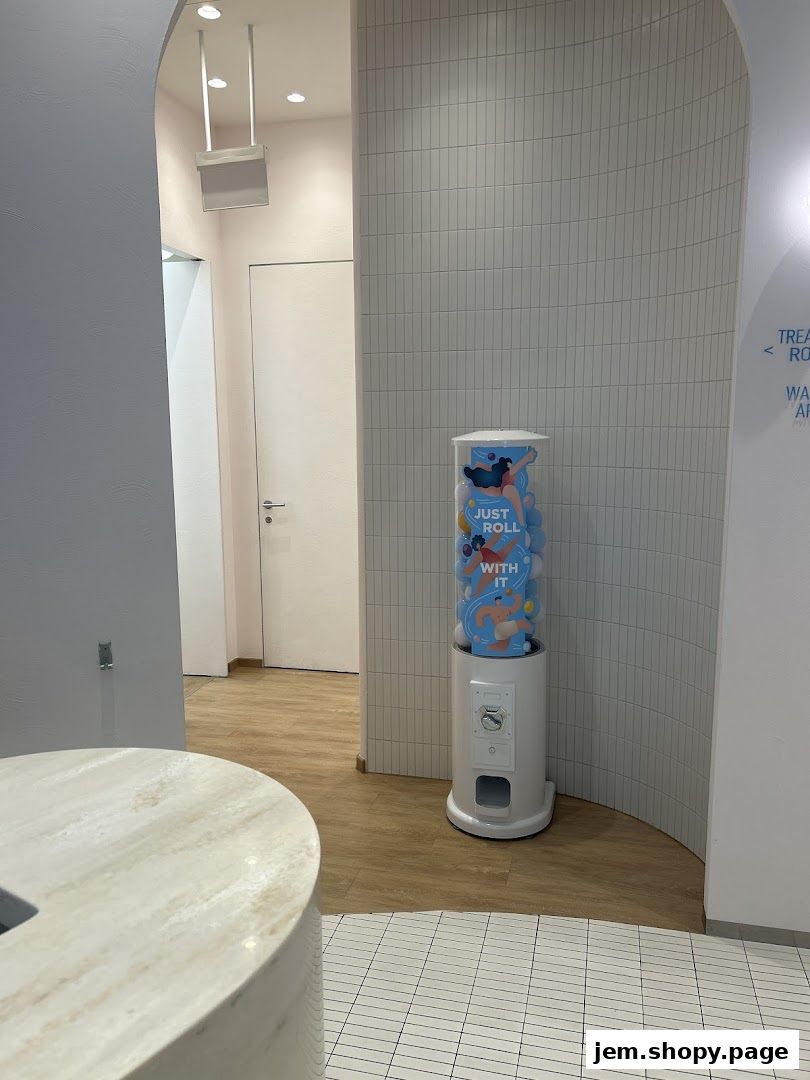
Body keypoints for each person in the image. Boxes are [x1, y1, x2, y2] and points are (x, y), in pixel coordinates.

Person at [463, 447, 537, 525]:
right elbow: (516, 468)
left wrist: (527, 457)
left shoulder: (505, 483)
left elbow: (515, 468)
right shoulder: (508, 484)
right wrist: (527, 457)